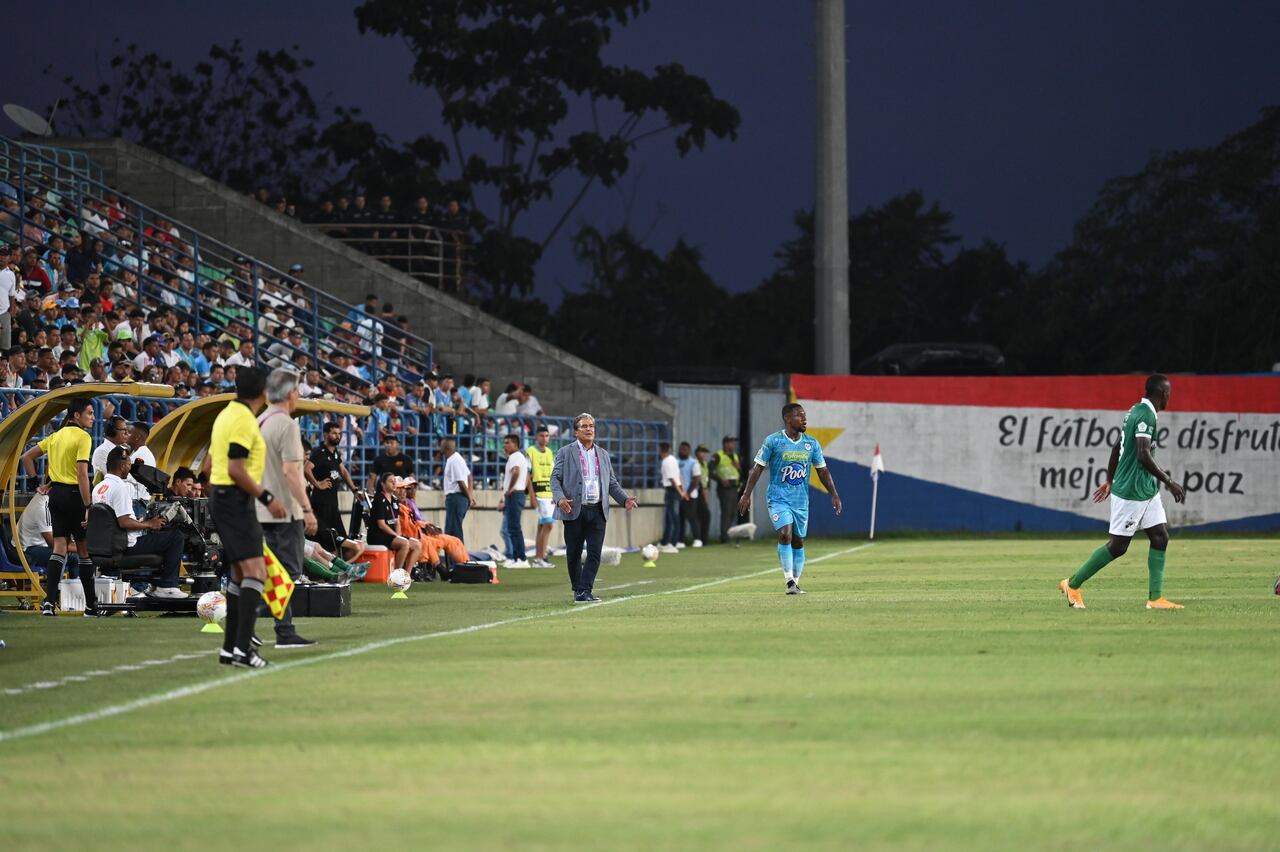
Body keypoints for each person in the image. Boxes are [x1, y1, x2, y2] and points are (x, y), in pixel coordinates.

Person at [1061, 374, 1187, 610]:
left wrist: (1109, 479)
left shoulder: (1135, 411)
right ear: (1162, 394)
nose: (1170, 396)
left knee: (1160, 537)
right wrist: (1169, 481)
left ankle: (1155, 598)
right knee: (1118, 546)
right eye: (1169, 392)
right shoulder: (1146, 415)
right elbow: (1142, 454)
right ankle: (1073, 584)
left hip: (1146, 489)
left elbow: (1117, 445)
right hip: (1131, 491)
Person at [208, 366, 287, 668]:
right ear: (263, 391)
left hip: (223, 497)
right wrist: (267, 497)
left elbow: (211, 464)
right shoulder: (242, 420)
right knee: (257, 572)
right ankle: (243, 649)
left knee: (241, 574)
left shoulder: (227, 413)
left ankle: (230, 649)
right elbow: (235, 468)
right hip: (234, 500)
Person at [738, 403, 843, 596]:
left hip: (800, 501)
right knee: (785, 534)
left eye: (805, 415)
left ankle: (796, 583)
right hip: (778, 498)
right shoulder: (773, 441)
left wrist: (834, 494)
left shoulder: (811, 444)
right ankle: (789, 581)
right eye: (799, 415)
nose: (804, 419)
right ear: (787, 418)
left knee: (797, 540)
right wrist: (746, 494)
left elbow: (823, 471)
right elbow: (758, 468)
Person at [256, 368, 320, 648]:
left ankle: (249, 624)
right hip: (285, 510)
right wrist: (306, 509)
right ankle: (282, 630)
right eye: (298, 390)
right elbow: (292, 473)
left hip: (261, 509)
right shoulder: (287, 424)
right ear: (291, 393)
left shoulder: (259, 422)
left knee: (267, 573)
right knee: (289, 573)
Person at [20, 397, 98, 616]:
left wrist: (37, 483)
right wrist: (88, 505)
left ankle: (48, 603)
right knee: (83, 550)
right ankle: (91, 606)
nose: (92, 417)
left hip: (56, 495)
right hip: (75, 495)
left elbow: (27, 457)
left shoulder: (55, 436)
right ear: (76, 415)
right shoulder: (83, 437)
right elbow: (82, 473)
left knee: (59, 548)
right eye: (89, 413)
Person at [550, 412, 638, 603]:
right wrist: (560, 499)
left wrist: (624, 500)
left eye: (591, 426)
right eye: (584, 426)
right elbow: (555, 478)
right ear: (576, 432)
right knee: (573, 553)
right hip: (573, 509)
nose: (589, 429)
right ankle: (578, 589)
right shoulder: (565, 452)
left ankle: (585, 590)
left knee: (594, 553)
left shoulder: (603, 455)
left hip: (598, 510)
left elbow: (611, 483)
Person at [91, 446, 188, 598]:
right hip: (127, 545)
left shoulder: (98, 487)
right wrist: (149, 524)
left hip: (105, 545)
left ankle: (155, 586)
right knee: (176, 537)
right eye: (129, 465)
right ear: (122, 465)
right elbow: (123, 522)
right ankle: (167, 586)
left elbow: (112, 520)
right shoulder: (120, 487)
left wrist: (139, 522)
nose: (130, 469)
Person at [306, 421, 363, 549]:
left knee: (340, 540)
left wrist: (354, 489)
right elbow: (306, 469)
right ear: (326, 435)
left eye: (339, 433)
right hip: (321, 504)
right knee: (329, 541)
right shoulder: (319, 452)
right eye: (334, 433)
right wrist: (317, 484)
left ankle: (341, 568)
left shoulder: (335, 452)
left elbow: (343, 471)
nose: (338, 436)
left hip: (333, 504)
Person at [368, 472, 421, 573]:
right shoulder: (379, 499)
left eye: (394, 481)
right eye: (390, 481)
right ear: (383, 484)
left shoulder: (395, 500)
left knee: (417, 544)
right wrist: (396, 535)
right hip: (378, 535)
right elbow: (381, 524)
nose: (393, 483)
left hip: (391, 535)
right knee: (404, 543)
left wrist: (398, 534)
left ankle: (407, 575)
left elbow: (397, 522)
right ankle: (396, 574)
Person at [18, 490, 79, 579]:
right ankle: (57, 590)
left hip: (39, 545)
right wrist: (80, 548)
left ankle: (76, 590)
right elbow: (52, 543)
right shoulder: (43, 507)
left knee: (75, 555)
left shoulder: (50, 499)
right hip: (27, 549)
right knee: (67, 557)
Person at [496, 433, 530, 567]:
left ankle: (521, 558)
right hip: (515, 494)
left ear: (515, 445)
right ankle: (516, 558)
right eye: (504, 443)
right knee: (512, 528)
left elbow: (515, 472)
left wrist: (510, 489)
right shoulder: (516, 457)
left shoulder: (515, 457)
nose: (505, 445)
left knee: (515, 528)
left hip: (515, 494)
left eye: (508, 443)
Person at [526, 425, 557, 567]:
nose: (544, 438)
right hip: (538, 494)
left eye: (546, 436)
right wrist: (531, 496)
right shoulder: (531, 451)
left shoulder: (550, 452)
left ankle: (539, 558)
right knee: (548, 525)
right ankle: (541, 557)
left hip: (549, 494)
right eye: (541, 435)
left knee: (542, 526)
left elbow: (553, 475)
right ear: (536, 437)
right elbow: (528, 475)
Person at [441, 437, 475, 541]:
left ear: (445, 447)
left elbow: (461, 482)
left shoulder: (454, 460)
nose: (439, 448)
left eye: (441, 445)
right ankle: (455, 557)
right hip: (458, 498)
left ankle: (457, 557)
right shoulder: (457, 458)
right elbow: (469, 476)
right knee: (453, 530)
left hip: (456, 498)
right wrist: (470, 495)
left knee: (453, 532)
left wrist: (469, 498)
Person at [712, 436, 743, 543]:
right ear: (725, 444)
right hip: (724, 488)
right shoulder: (718, 456)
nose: (733, 445)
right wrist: (720, 480)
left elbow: (739, 472)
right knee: (726, 511)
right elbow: (710, 470)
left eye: (734, 443)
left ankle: (727, 535)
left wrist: (738, 468)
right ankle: (724, 538)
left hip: (734, 488)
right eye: (731, 443)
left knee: (733, 513)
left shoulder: (735, 456)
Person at [658, 442, 684, 554]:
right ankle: (665, 542)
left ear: (660, 450)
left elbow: (672, 479)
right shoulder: (673, 459)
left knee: (672, 518)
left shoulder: (665, 461)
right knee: (669, 518)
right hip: (676, 490)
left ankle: (672, 543)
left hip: (671, 490)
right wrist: (682, 490)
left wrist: (680, 492)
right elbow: (678, 475)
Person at [676, 442, 700, 546]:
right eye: (680, 449)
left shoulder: (694, 463)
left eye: (684, 449)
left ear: (689, 451)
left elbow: (696, 480)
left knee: (692, 517)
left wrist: (687, 493)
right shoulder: (676, 462)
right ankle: (681, 541)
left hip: (690, 495)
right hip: (680, 494)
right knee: (681, 518)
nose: (682, 451)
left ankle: (697, 539)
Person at [694, 446, 712, 548]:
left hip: (703, 492)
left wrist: (706, 494)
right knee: (701, 516)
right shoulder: (694, 463)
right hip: (696, 492)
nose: (704, 455)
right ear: (697, 453)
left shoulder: (705, 464)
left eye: (705, 452)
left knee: (705, 516)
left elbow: (707, 480)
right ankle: (700, 540)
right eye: (702, 452)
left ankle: (703, 540)